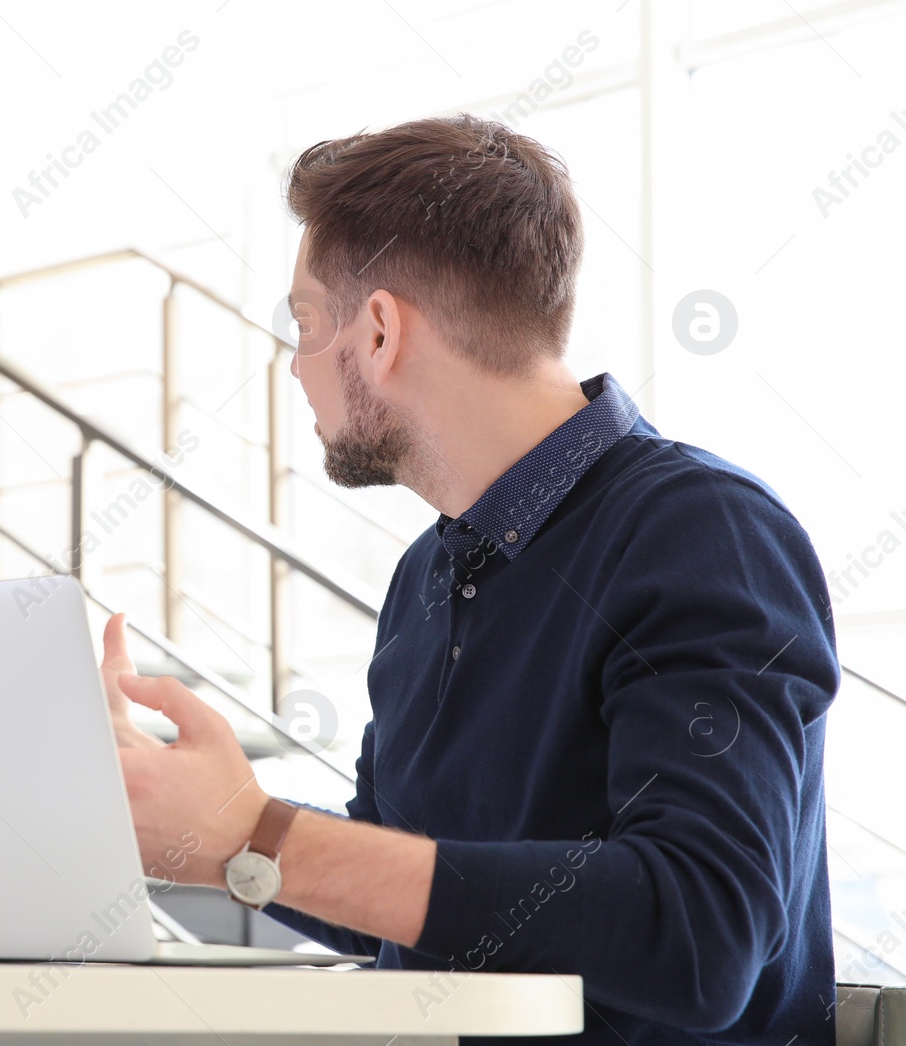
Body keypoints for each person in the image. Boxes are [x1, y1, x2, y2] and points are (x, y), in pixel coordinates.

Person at [103, 115, 839, 1044]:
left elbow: (700, 932)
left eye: (303, 324)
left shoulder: (703, 531)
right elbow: (403, 885)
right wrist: (206, 837)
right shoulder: (430, 572)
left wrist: (259, 836)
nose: (294, 366)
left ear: (377, 332)